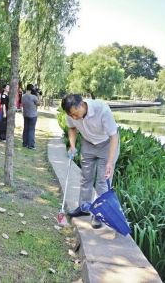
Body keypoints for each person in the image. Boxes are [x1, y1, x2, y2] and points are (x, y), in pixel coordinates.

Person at [61, 94, 120, 229]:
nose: (74, 118)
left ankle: (99, 214)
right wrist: (72, 146)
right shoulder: (72, 113)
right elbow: (72, 128)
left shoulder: (102, 110)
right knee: (85, 177)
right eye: (71, 116)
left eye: (75, 114)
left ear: (82, 105)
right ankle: (84, 207)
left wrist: (110, 162)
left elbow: (113, 136)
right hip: (88, 143)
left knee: (102, 180)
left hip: (106, 143)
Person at [21, 84, 40, 149]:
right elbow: (38, 104)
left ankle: (24, 143)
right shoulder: (33, 97)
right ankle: (31, 145)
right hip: (33, 115)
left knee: (25, 129)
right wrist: (37, 96)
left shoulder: (23, 96)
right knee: (31, 130)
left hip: (25, 114)